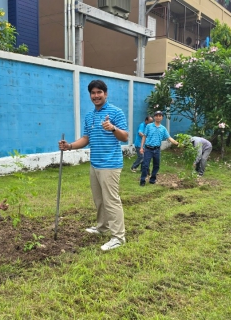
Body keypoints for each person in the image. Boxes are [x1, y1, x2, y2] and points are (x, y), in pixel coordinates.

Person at [58, 80, 129, 251]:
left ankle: (118, 237)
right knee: (99, 200)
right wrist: (69, 146)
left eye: (99, 92)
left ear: (106, 94)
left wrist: (112, 128)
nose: (96, 96)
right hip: (95, 164)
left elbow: (125, 137)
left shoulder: (116, 112)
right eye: (93, 93)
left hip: (110, 164)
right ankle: (103, 227)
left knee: (111, 200)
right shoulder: (90, 116)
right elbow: (86, 138)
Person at [139, 110, 179, 186]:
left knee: (156, 165)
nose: (158, 117)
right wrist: (141, 147)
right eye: (156, 115)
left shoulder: (163, 129)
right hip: (148, 149)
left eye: (159, 116)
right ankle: (142, 180)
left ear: (162, 118)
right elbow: (144, 136)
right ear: (154, 117)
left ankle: (152, 180)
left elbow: (169, 137)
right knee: (145, 165)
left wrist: (177, 143)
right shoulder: (149, 126)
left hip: (157, 150)